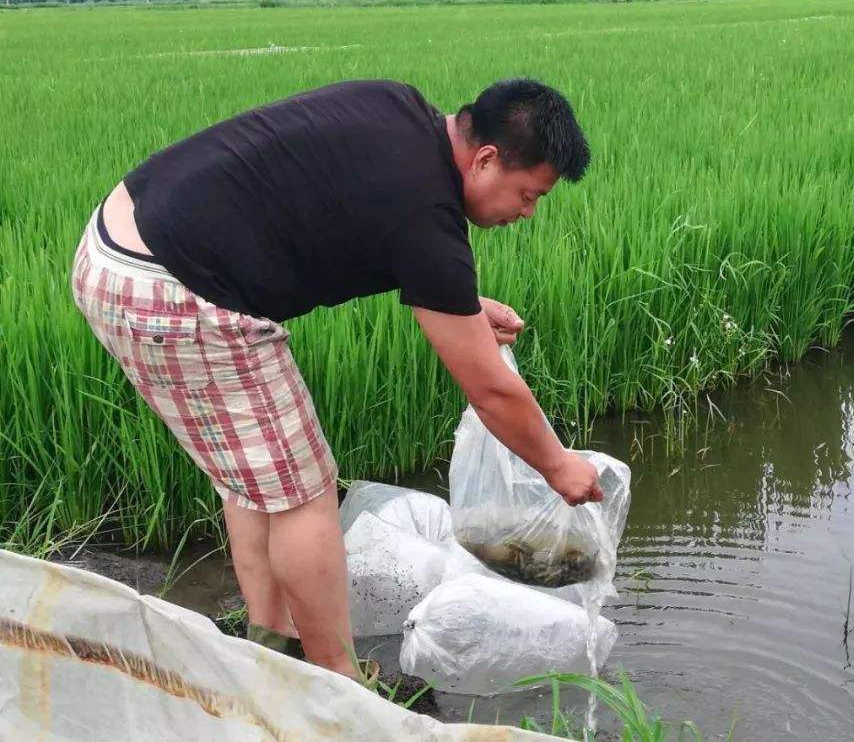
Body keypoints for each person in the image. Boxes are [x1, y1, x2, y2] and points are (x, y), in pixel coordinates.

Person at [70, 78, 603, 683]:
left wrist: (459, 302)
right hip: (170, 289)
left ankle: (273, 645)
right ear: (485, 158)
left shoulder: (399, 111)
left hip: (117, 242)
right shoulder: (426, 217)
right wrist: (559, 466)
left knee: (257, 479)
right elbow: (491, 391)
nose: (527, 214)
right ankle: (338, 684)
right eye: (528, 194)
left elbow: (349, 216)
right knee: (304, 495)